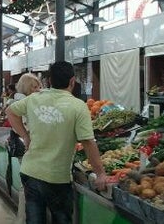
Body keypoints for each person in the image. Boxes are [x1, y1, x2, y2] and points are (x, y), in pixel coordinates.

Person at [6, 61, 107, 224]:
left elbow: (10, 111)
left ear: (49, 81)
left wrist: (25, 135)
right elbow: (88, 142)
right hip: (57, 178)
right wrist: (100, 173)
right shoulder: (78, 106)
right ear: (72, 81)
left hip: (30, 172)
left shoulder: (34, 99)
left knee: (34, 220)